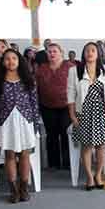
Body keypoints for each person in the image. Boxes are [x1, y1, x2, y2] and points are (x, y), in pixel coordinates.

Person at [0, 49, 39, 203]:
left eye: (14, 58)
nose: (11, 61)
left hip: (25, 120)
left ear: (19, 61)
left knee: (25, 154)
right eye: (7, 59)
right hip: (6, 121)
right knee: (9, 155)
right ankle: (14, 190)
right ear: (3, 62)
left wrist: (35, 123)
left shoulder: (28, 79)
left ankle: (24, 189)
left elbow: (34, 102)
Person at [67, 42, 105, 190]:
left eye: (93, 50)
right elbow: (70, 96)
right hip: (84, 114)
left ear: (98, 54)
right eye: (87, 50)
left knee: (101, 146)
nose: (90, 53)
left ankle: (98, 175)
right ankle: (89, 176)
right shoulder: (74, 71)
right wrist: (73, 116)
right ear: (83, 54)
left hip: (102, 113)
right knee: (86, 146)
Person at [34, 42, 72, 172]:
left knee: (66, 133)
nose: (52, 54)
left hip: (67, 106)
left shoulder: (70, 67)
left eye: (55, 51)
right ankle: (53, 163)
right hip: (47, 106)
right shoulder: (41, 69)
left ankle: (68, 162)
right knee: (51, 135)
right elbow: (36, 88)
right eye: (49, 52)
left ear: (61, 52)